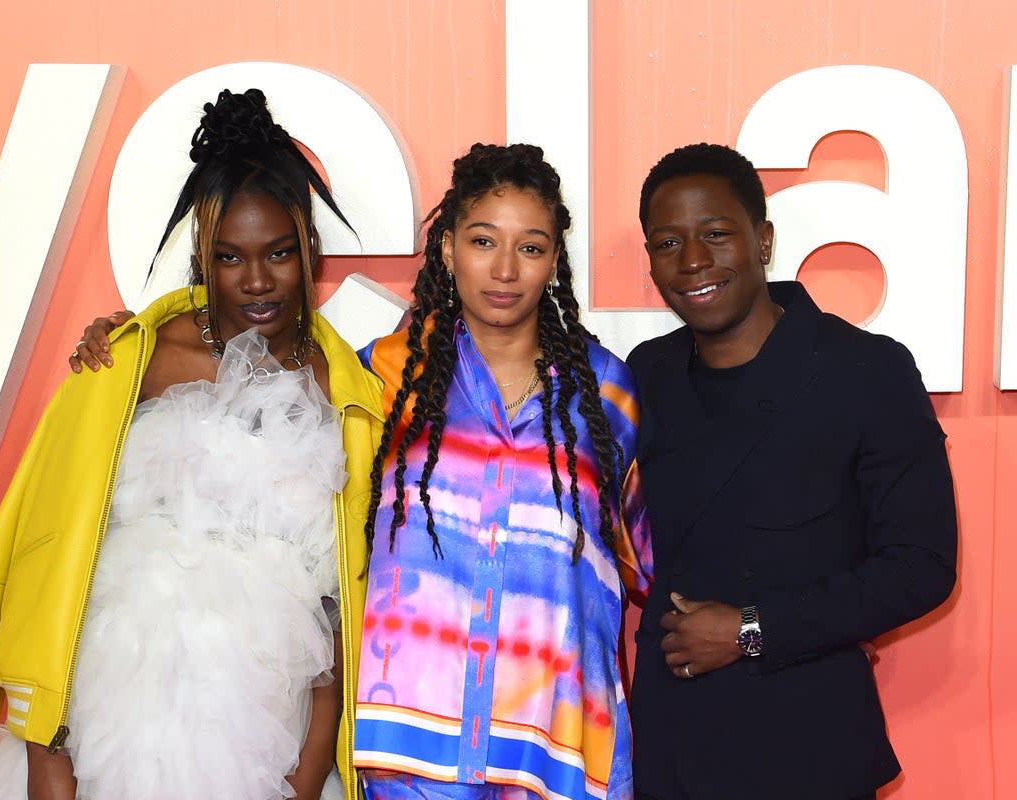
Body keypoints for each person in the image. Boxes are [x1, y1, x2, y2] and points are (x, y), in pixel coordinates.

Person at [70, 143, 654, 799]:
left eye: (531, 247)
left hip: (559, 753)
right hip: (409, 758)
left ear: (553, 262)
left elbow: (644, 563)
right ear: (446, 250)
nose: (505, 269)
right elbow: (240, 426)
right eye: (484, 240)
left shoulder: (608, 395)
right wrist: (139, 335)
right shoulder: (371, 380)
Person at [0, 89, 384, 800]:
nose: (257, 280)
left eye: (279, 254)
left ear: (309, 250)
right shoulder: (130, 362)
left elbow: (340, 602)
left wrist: (313, 766)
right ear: (202, 256)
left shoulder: (349, 391)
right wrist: (51, 751)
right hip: (123, 719)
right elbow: (61, 563)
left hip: (272, 727)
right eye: (230, 257)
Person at [627, 142, 957, 800]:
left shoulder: (866, 371)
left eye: (716, 234)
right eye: (668, 243)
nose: (693, 261)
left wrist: (752, 631)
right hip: (674, 746)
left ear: (763, 239)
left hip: (809, 743)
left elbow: (921, 565)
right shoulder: (644, 374)